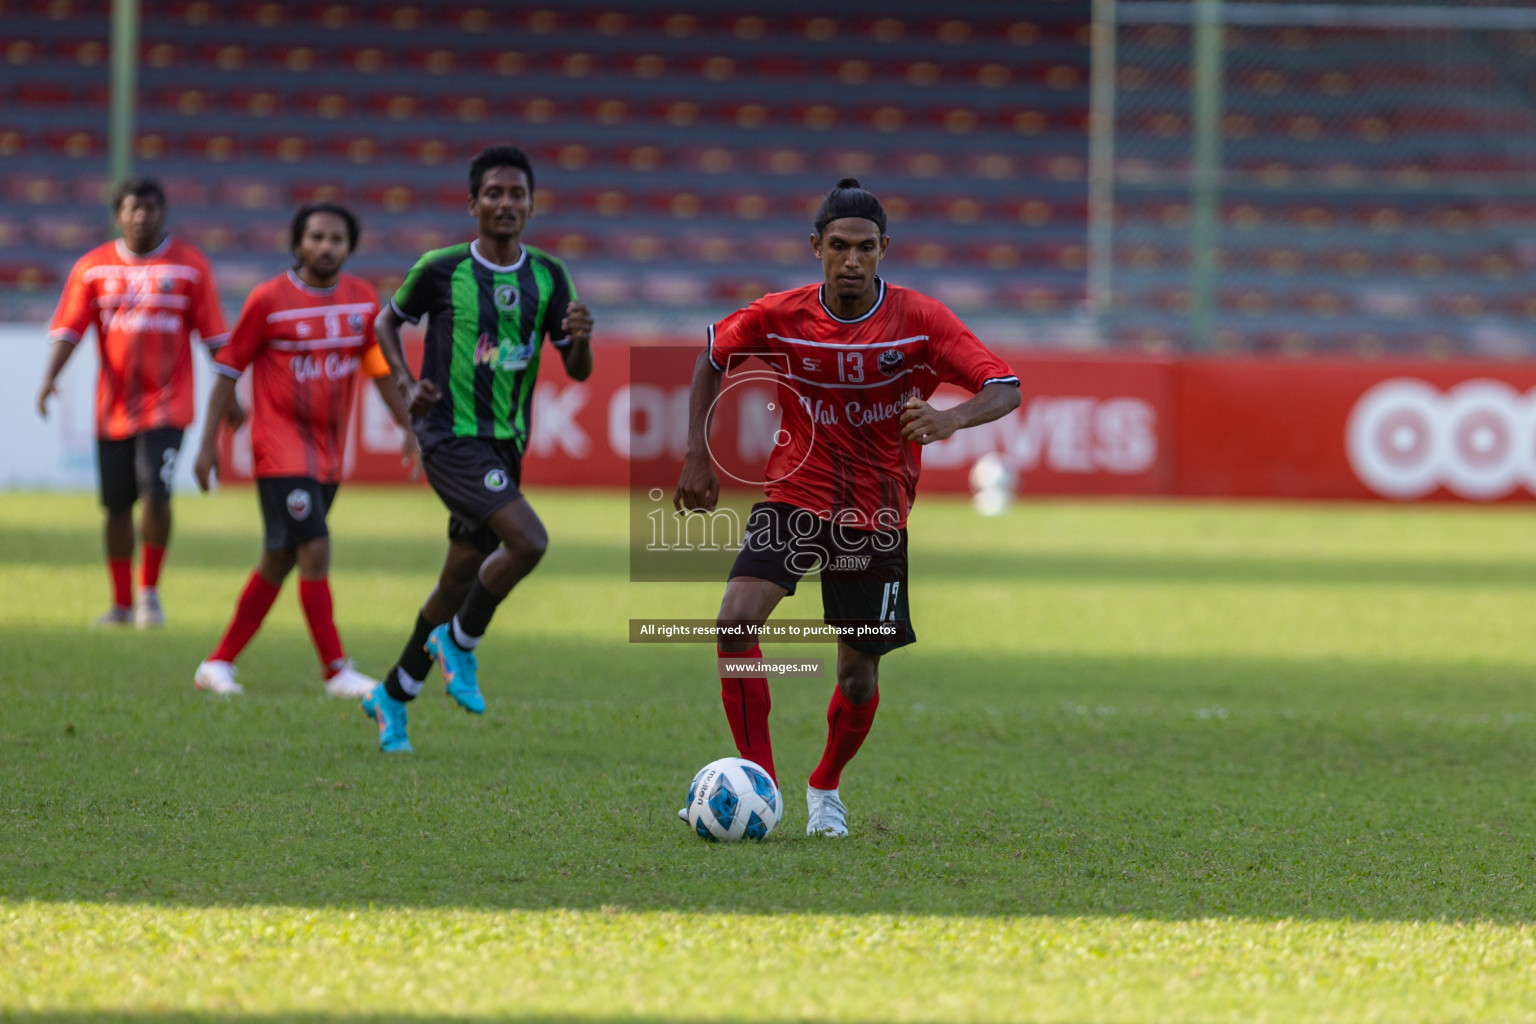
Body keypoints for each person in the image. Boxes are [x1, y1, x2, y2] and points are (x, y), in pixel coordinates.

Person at [673, 178, 1022, 836]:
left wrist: (950, 420)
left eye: (866, 248)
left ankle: (825, 785)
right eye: (839, 246)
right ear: (816, 248)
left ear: (885, 249)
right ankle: (762, 783)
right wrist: (698, 452)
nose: (853, 260)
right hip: (795, 496)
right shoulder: (781, 314)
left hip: (877, 514)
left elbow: (1004, 386)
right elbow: (713, 354)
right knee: (733, 621)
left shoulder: (921, 321)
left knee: (857, 676)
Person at [363, 144, 594, 752]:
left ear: (531, 204)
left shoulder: (549, 275)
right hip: (448, 436)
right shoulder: (441, 269)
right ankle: (460, 642)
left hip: (504, 445)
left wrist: (580, 339)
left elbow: (577, 370)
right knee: (530, 540)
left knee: (457, 578)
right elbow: (386, 323)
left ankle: (392, 693)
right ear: (473, 204)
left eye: (516, 193)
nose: (505, 203)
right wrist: (408, 385)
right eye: (493, 193)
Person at [189, 202, 417, 697]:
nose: (326, 247)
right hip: (279, 451)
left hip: (328, 457)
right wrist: (208, 445)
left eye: (336, 239)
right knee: (314, 547)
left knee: (280, 557)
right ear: (298, 244)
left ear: (349, 247)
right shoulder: (268, 299)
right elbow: (229, 370)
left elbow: (379, 370)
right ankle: (336, 669)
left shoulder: (361, 301)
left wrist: (409, 426)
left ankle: (217, 663)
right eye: (316, 237)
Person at [37, 177, 234, 628]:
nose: (142, 216)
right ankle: (122, 604)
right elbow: (69, 328)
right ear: (118, 215)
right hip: (113, 410)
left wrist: (232, 396)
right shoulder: (94, 268)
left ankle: (149, 594)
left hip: (169, 405)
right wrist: (49, 379)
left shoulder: (189, 266)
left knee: (156, 496)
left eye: (150, 207)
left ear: (163, 213)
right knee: (116, 507)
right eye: (133, 208)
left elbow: (214, 336)